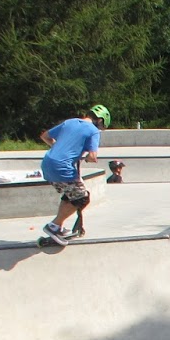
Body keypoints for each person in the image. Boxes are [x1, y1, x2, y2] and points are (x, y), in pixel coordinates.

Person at [39, 103, 109, 241]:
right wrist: (87, 158)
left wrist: (58, 148)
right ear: (100, 120)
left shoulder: (69, 122)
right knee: (82, 198)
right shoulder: (93, 131)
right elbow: (93, 156)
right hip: (63, 167)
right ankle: (54, 226)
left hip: (47, 164)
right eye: (101, 126)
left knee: (71, 194)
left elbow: (45, 136)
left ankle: (58, 227)